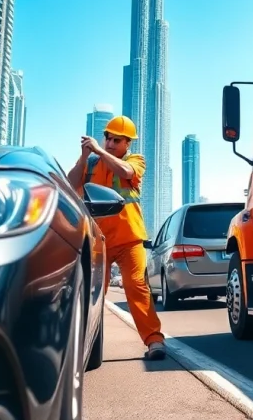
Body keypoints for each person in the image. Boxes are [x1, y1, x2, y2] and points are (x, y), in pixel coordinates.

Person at [67, 115, 166, 361]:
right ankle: (83, 345)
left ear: (127, 143)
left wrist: (99, 151)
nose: (110, 142)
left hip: (129, 238)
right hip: (98, 240)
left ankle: (154, 340)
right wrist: (83, 157)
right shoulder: (90, 164)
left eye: (116, 140)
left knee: (136, 287)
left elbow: (125, 170)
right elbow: (70, 183)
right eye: (107, 138)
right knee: (92, 292)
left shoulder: (135, 159)